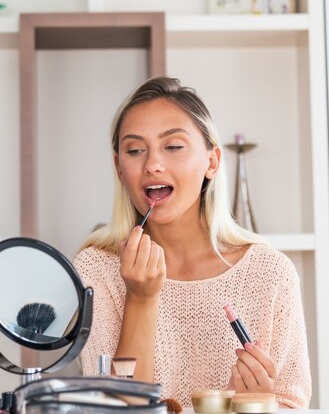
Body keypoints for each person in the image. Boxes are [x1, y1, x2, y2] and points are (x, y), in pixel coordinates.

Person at [72, 77, 311, 408]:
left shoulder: (271, 274)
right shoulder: (95, 270)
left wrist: (248, 405)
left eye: (172, 147)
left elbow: (291, 404)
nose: (152, 163)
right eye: (135, 150)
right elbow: (114, 409)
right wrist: (140, 298)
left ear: (212, 162)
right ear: (119, 168)